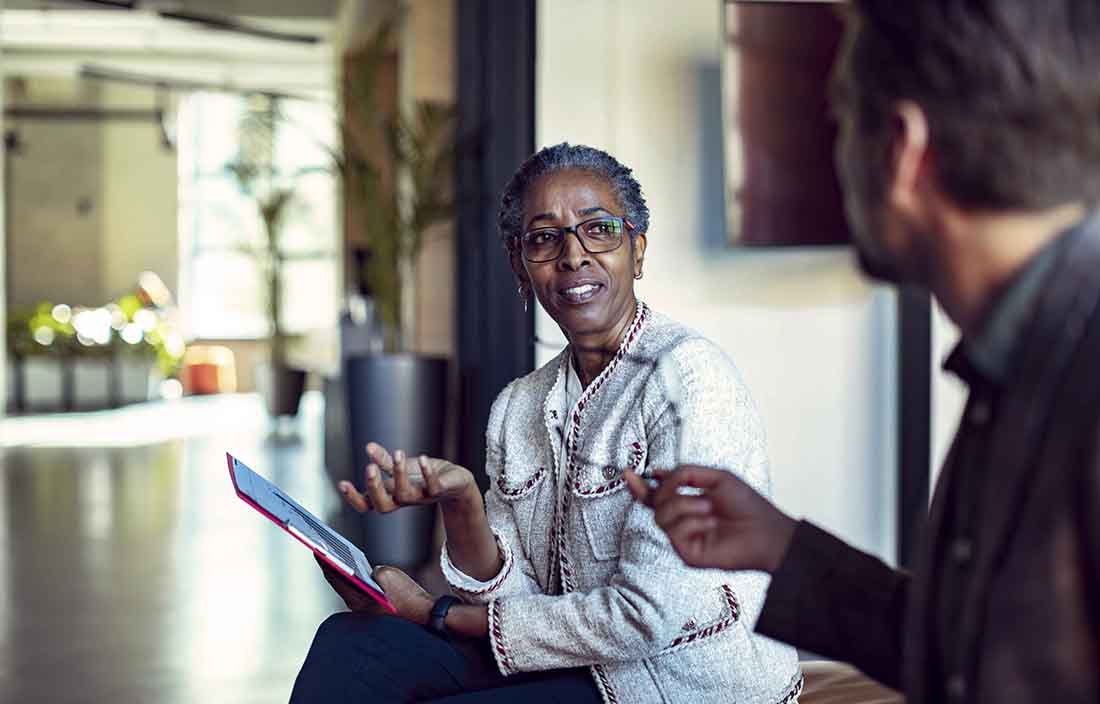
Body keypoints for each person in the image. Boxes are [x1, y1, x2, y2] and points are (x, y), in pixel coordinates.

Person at [626, 1, 1100, 702]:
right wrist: (782, 546)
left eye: (842, 120)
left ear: (905, 150)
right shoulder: (1020, 355)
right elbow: (969, 656)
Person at [289, 143, 802, 703]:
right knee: (350, 643)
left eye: (599, 229)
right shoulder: (519, 406)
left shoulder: (689, 381)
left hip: (678, 682)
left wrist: (435, 613)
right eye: (544, 237)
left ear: (638, 249)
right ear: (519, 264)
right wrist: (462, 503)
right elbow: (516, 596)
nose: (573, 255)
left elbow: (646, 617)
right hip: (567, 664)